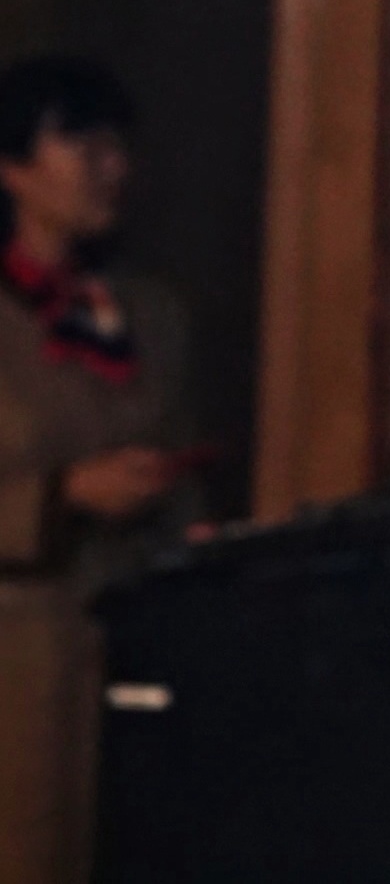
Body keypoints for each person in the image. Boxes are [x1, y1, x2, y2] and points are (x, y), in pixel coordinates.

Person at [0, 58, 193, 884]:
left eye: (118, 146)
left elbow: (179, 455)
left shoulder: (150, 314)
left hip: (132, 651)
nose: (111, 167)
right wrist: (63, 496)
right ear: (12, 167)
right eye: (82, 145)